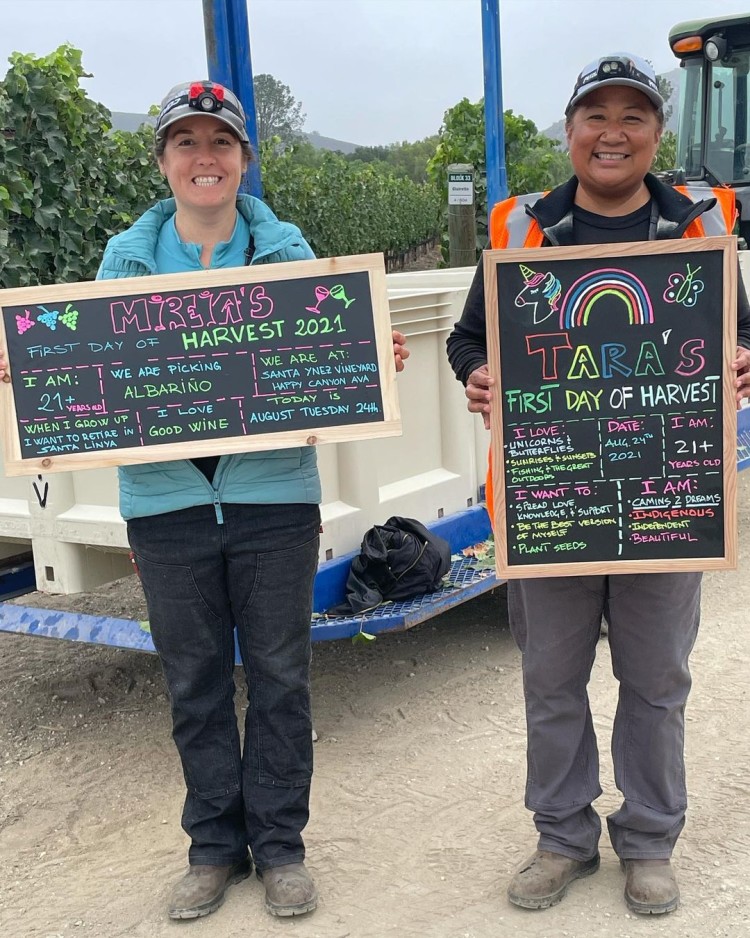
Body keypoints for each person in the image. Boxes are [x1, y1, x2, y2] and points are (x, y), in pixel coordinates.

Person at [1, 79, 408, 921]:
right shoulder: (126, 260)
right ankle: (213, 847)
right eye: (185, 143)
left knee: (281, 678)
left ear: (243, 159)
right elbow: (92, 367)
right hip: (165, 506)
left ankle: (282, 846)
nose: (204, 157)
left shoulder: (289, 256)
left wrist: (368, 354)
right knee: (193, 683)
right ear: (164, 163)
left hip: (272, 504)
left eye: (219, 142)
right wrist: (35, 375)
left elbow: (328, 354)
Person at [447, 54, 750, 916]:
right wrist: (477, 376)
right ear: (571, 129)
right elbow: (470, 338)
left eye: (633, 117)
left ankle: (650, 839)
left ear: (658, 134)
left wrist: (742, 360)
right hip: (553, 501)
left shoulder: (696, 228)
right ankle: (563, 838)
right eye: (596, 115)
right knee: (552, 678)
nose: (613, 133)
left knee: (657, 680)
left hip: (667, 501)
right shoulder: (520, 231)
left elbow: (741, 332)